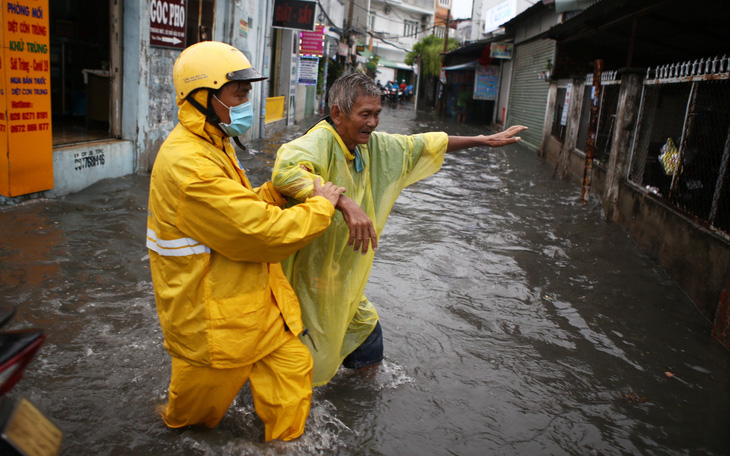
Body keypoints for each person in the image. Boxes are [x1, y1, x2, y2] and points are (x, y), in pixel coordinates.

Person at [271, 73, 526, 386]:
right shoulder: (317, 142)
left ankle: (359, 404)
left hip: (344, 281)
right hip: (308, 280)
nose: (373, 122)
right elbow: (286, 173)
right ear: (337, 113)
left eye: (377, 114)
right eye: (365, 114)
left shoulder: (372, 147)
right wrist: (345, 203)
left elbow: (422, 145)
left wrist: (483, 141)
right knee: (303, 364)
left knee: (368, 337)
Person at [146, 41, 346, 442]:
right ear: (203, 96)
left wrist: (271, 194)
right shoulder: (189, 164)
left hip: (256, 311)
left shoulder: (212, 142)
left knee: (292, 380)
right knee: (188, 427)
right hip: (214, 329)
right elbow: (260, 234)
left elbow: (231, 215)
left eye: (248, 92)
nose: (247, 100)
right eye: (239, 92)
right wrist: (321, 208)